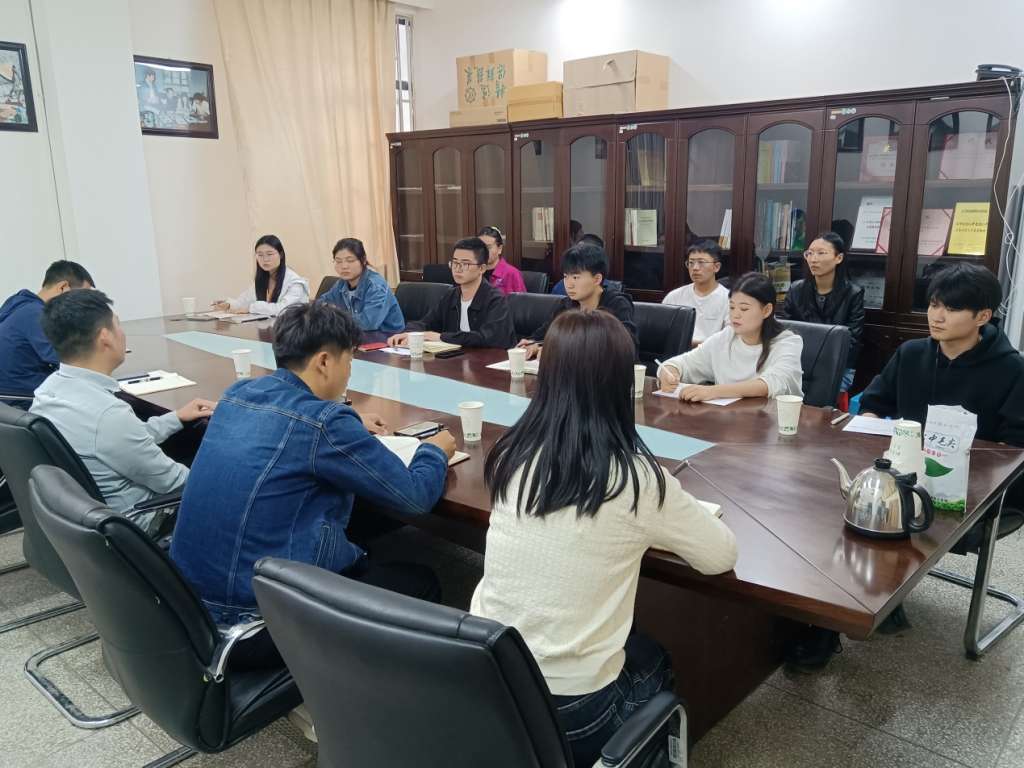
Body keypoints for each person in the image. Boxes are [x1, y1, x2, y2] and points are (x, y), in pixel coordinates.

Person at [472, 309, 738, 767]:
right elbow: (721, 554)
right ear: (620, 383)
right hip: (575, 712)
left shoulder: (512, 453)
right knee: (652, 656)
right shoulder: (637, 479)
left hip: (484, 678)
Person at [786, 262, 1024, 673]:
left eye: (951, 308)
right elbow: (873, 405)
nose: (937, 316)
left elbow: (1013, 448)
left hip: (973, 488)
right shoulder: (912, 353)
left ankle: (836, 621)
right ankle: (830, 607)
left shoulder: (1012, 369)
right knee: (828, 501)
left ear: (983, 316)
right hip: (905, 475)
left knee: (878, 516)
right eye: (933, 305)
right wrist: (875, 427)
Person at [169, 302, 455, 629]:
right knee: (421, 581)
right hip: (251, 615)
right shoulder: (325, 423)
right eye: (349, 360)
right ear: (324, 362)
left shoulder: (238, 393)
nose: (351, 371)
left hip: (186, 600)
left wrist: (348, 422)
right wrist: (434, 451)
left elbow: (291, 422)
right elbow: (414, 497)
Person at [30, 291, 215, 513]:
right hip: (146, 520)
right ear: (105, 337)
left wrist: (176, 418)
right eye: (118, 325)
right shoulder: (107, 414)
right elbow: (173, 481)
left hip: (80, 515)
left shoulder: (47, 391)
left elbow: (122, 439)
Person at [659, 272, 803, 401]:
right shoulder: (726, 337)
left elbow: (772, 383)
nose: (735, 315)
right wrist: (669, 372)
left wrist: (713, 391)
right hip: (728, 418)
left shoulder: (788, 342)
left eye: (744, 309)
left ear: (766, 310)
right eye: (732, 307)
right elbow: (682, 363)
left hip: (774, 419)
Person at [388, 237, 516, 350]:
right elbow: (425, 323)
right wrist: (408, 333)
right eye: (455, 263)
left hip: (490, 364)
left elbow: (488, 339)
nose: (457, 269)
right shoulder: (451, 296)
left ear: (482, 268)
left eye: (465, 264)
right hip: (458, 361)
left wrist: (442, 337)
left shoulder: (495, 299)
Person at [519, 242, 638, 361]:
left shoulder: (617, 304)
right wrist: (532, 344)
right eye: (566, 277)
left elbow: (624, 348)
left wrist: (561, 349)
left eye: (576, 277)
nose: (569, 284)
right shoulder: (568, 304)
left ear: (597, 279)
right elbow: (546, 332)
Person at [0, 261, 95, 406]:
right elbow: (65, 358)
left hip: (12, 396)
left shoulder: (22, 306)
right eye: (81, 296)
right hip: (23, 399)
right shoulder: (35, 314)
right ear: (63, 287)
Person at [782, 231, 865, 393]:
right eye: (810, 253)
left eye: (821, 253)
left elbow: (852, 342)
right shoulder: (796, 289)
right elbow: (785, 332)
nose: (813, 259)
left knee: (818, 395)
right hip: (798, 361)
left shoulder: (853, 293)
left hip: (836, 366)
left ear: (839, 258)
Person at [319, 237, 404, 334]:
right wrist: (328, 306)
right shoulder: (341, 284)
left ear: (363, 260)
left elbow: (368, 322)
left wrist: (336, 317)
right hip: (356, 336)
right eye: (338, 262)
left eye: (350, 261)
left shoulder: (376, 285)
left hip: (386, 338)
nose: (344, 266)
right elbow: (319, 304)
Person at [215, 235, 310, 317]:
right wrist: (228, 304)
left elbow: (283, 310)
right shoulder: (264, 279)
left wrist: (251, 309)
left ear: (281, 255)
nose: (265, 259)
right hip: (266, 328)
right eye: (260, 255)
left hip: (290, 330)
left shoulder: (295, 282)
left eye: (270, 254)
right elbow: (244, 301)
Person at [662, 240, 730, 345]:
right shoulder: (674, 296)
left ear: (716, 267)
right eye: (691, 262)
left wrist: (688, 344)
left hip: (712, 353)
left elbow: (729, 338)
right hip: (678, 352)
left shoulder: (729, 299)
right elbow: (662, 332)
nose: (695, 268)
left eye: (701, 262)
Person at [477, 226, 526, 296]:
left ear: (499, 249)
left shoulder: (512, 273)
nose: (483, 251)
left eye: (488, 247)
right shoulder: (474, 272)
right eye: (480, 247)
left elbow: (522, 301)